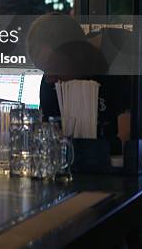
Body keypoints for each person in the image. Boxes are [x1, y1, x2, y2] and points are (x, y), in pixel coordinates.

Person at [26, 14, 131, 151]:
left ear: (76, 53)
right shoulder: (51, 83)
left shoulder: (124, 59)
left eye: (54, 69)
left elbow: (129, 137)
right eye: (44, 71)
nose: (49, 79)